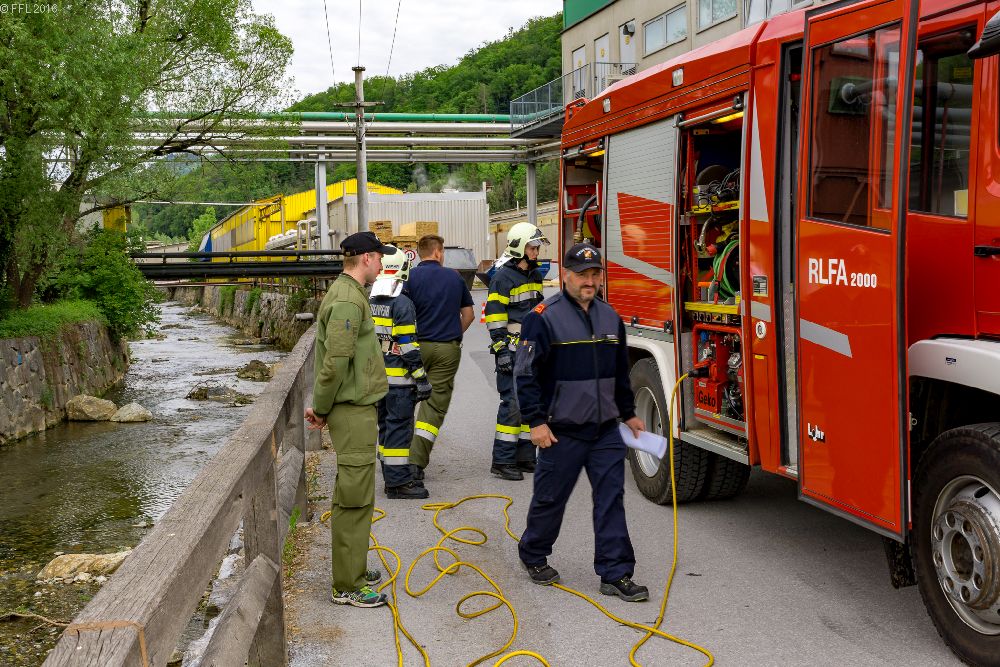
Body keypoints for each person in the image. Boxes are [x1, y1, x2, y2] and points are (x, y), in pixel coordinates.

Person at [514, 242, 650, 602]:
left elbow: (619, 373)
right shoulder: (542, 318)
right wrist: (536, 422)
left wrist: (628, 413)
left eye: (594, 274)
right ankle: (533, 553)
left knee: (611, 499)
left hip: (605, 431)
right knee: (550, 498)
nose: (589, 281)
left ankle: (615, 573)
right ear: (565, 276)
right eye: (581, 275)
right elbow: (525, 375)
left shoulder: (610, 317)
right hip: (561, 431)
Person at [304, 230, 394, 608]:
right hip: (351, 410)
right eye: (380, 257)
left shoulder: (350, 293)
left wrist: (324, 406)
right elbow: (335, 363)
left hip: (355, 408)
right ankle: (347, 585)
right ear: (367, 258)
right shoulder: (346, 300)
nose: (383, 263)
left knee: (355, 493)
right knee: (354, 498)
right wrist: (321, 407)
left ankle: (352, 567)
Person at [404, 234, 475, 490]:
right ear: (438, 252)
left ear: (419, 253)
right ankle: (416, 463)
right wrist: (452, 334)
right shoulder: (454, 278)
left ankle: (395, 457)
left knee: (405, 398)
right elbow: (469, 315)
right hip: (447, 349)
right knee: (433, 407)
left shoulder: (409, 278)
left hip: (414, 349)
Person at [484, 222, 548, 480]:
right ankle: (502, 460)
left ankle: (524, 456)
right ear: (519, 248)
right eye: (532, 247)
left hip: (530, 349)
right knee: (512, 403)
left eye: (537, 247)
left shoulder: (535, 276)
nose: (536, 251)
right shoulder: (502, 278)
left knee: (529, 400)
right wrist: (501, 351)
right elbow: (494, 317)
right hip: (511, 350)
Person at [370, 246, 432, 500]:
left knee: (386, 427)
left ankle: (391, 475)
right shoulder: (402, 303)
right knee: (400, 428)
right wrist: (421, 377)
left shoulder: (371, 300)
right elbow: (407, 345)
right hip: (399, 381)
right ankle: (398, 484)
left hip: (377, 378)